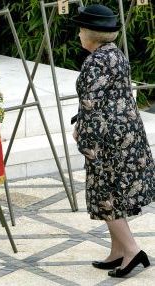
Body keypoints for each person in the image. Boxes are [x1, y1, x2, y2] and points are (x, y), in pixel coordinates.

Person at [71, 4, 154, 278]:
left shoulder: (95, 62)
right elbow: (107, 98)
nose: (79, 35)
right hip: (126, 134)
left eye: (82, 30)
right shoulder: (114, 54)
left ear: (92, 34)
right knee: (113, 194)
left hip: (108, 140)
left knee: (107, 196)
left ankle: (131, 250)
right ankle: (118, 251)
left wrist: (84, 138)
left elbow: (93, 106)